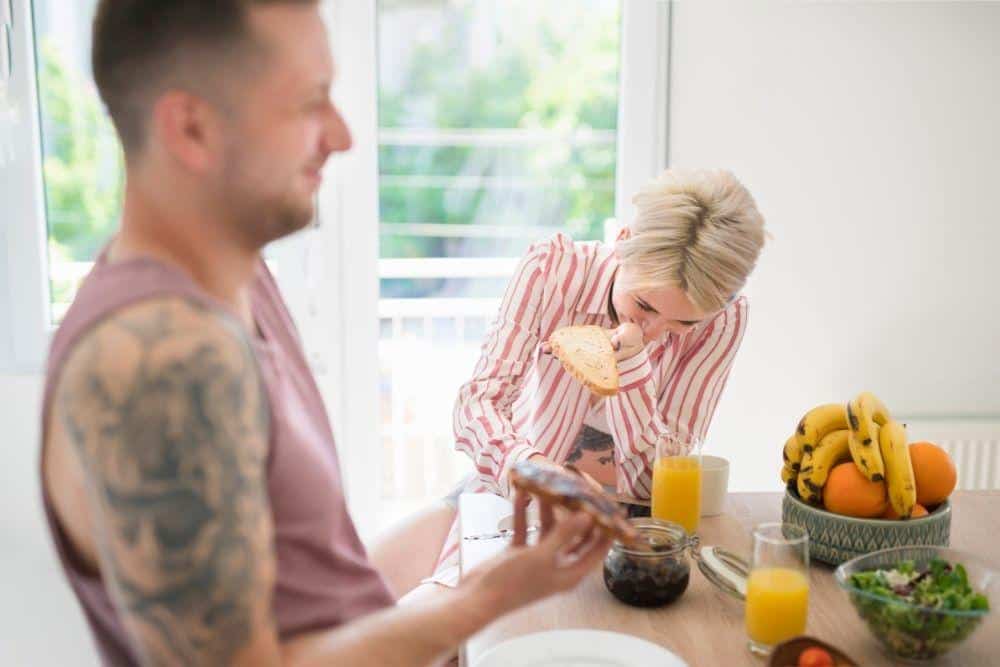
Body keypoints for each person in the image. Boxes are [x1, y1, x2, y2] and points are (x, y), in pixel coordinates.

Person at [38, 2, 612, 665]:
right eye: (310, 103)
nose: (342, 136)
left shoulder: (239, 279)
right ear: (191, 127)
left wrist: (470, 543)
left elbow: (307, 586)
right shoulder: (155, 361)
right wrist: (482, 599)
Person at [382, 168, 767, 592]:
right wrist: (536, 472)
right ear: (621, 242)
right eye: (643, 305)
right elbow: (477, 403)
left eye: (681, 323)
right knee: (349, 595)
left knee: (441, 627)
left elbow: (656, 479)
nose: (655, 330)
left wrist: (632, 365)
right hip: (510, 485)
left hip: (622, 530)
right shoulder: (553, 271)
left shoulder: (724, 321)